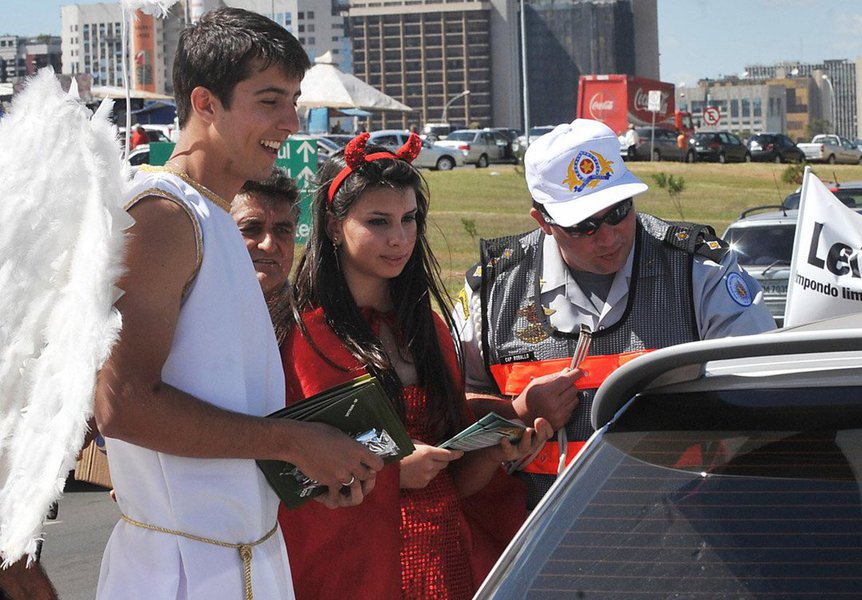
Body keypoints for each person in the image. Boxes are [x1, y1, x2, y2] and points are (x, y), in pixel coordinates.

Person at [93, 8, 383, 600]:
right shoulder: (164, 214)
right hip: (177, 572)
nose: (290, 120)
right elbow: (119, 404)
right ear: (205, 102)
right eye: (270, 100)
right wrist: (295, 443)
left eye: (294, 99)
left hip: (246, 561)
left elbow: (219, 401)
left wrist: (301, 473)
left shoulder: (213, 216)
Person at [278, 132, 551, 599]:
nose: (399, 238)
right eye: (378, 221)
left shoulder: (430, 330)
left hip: (450, 564)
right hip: (357, 573)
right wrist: (391, 473)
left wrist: (492, 447)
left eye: (410, 219)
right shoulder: (307, 338)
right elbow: (291, 477)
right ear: (331, 224)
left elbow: (455, 483)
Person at [455, 118, 776, 507]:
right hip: (542, 546)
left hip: (685, 532)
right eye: (583, 226)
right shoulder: (492, 292)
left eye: (618, 212)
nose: (608, 237)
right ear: (543, 221)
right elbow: (453, 411)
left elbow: (761, 398)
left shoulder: (700, 273)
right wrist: (516, 413)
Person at [231, 168, 300, 341]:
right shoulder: (190, 317)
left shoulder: (314, 324)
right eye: (251, 229)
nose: (268, 245)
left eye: (282, 230)